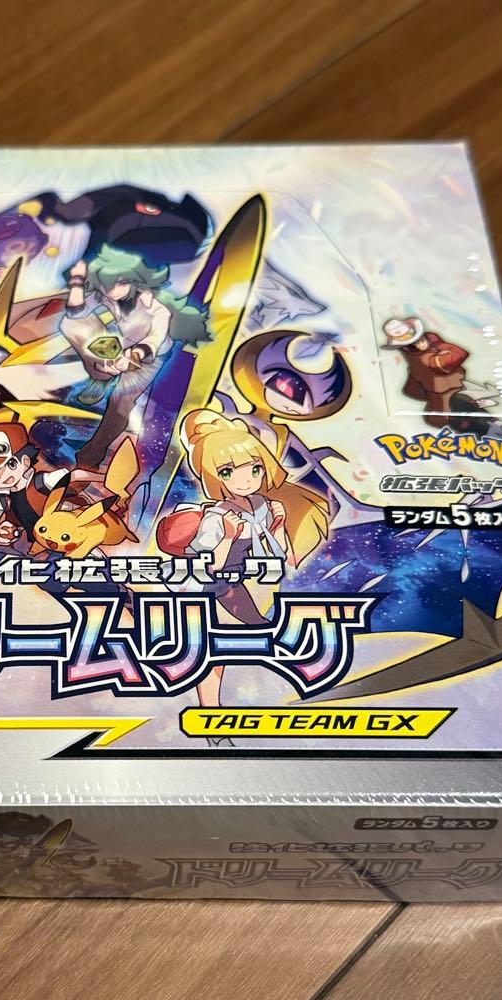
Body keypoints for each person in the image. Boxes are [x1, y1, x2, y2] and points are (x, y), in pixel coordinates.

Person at [178, 409, 330, 708]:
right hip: (205, 588)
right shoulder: (216, 517)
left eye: (254, 468)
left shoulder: (264, 506)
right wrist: (228, 537)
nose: (245, 480)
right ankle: (210, 710)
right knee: (209, 648)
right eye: (227, 472)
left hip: (238, 584)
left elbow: (279, 556)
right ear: (213, 476)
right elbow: (208, 566)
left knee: (259, 631)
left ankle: (301, 685)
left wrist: (277, 526)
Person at [61, 245, 209, 468]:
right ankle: (102, 376)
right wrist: (77, 281)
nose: (111, 291)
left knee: (119, 405)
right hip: (120, 348)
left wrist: (133, 356)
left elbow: (153, 341)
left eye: (119, 283)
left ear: (136, 281)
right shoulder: (106, 295)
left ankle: (91, 456)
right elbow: (76, 313)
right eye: (106, 284)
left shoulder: (158, 309)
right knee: (71, 324)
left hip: (148, 359)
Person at [382, 317, 484, 430]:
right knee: (445, 417)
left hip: (456, 386)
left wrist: (441, 350)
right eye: (413, 344)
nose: (420, 345)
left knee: (468, 409)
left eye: (421, 340)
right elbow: (440, 362)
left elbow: (456, 353)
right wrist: (441, 354)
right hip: (439, 392)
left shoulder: (434, 342)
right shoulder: (419, 357)